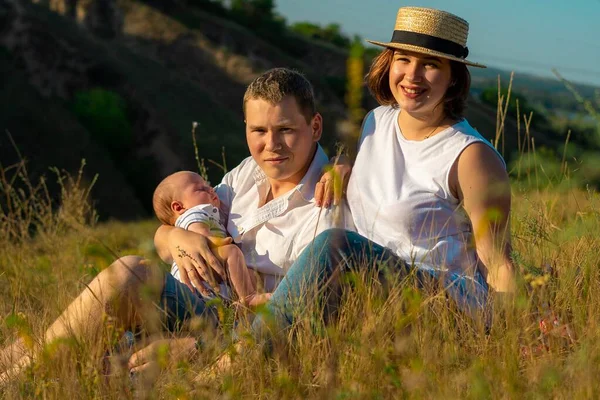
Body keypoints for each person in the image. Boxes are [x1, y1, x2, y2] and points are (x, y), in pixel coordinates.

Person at [0, 67, 351, 382]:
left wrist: (202, 344)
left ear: (315, 126)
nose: (270, 145)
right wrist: (174, 237)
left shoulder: (330, 199)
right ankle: (27, 370)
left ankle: (20, 380)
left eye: (286, 130)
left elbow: (302, 315)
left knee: (127, 277)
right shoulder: (246, 175)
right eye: (258, 130)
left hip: (239, 325)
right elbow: (177, 225)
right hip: (195, 300)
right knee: (122, 280)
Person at [249, 6, 516, 337]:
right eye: (403, 59)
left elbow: (497, 258)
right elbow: (377, 178)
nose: (412, 76)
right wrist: (343, 162)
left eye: (430, 64)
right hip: (365, 288)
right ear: (389, 62)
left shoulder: (470, 155)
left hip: (439, 300)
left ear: (453, 77)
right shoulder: (377, 121)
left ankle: (235, 358)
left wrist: (514, 334)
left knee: (334, 244)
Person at [152, 170, 271, 307]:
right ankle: (249, 297)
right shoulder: (195, 213)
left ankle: (240, 302)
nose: (211, 189)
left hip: (201, 273)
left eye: (208, 185)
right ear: (179, 207)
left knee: (247, 271)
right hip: (199, 263)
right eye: (201, 188)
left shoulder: (206, 211)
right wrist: (220, 241)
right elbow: (199, 235)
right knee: (232, 252)